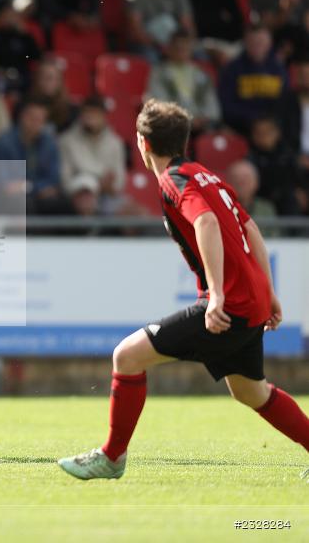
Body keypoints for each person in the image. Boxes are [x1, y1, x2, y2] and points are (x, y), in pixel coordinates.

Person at [58, 99, 309, 480]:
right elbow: (251, 229)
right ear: (184, 140)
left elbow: (206, 223)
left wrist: (218, 296)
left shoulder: (174, 181)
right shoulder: (206, 175)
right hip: (251, 300)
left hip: (230, 305)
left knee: (126, 357)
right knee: (250, 391)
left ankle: (111, 457)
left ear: (143, 143)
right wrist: (268, 291)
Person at [59, 95, 126, 216]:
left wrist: (106, 187)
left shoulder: (115, 143)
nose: (90, 118)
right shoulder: (67, 141)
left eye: (95, 113)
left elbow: (118, 182)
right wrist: (93, 187)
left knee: (133, 213)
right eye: (87, 113)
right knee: (85, 203)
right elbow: (65, 181)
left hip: (107, 197)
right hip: (75, 196)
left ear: (103, 116)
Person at [0, 96, 65, 215]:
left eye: (41, 120)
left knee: (59, 203)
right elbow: (5, 183)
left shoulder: (49, 143)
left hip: (39, 197)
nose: (37, 123)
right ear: (23, 117)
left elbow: (53, 180)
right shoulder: (5, 143)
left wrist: (27, 186)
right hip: (12, 199)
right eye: (33, 118)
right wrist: (36, 188)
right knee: (24, 204)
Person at [218, 25, 288, 136]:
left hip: (274, 128)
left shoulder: (278, 69)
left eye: (260, 42)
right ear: (245, 43)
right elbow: (227, 106)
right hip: (242, 129)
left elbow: (286, 103)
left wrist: (270, 122)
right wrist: (254, 119)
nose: (256, 46)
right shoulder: (232, 69)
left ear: (269, 44)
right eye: (252, 42)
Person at [146, 30, 220, 133]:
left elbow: (211, 104)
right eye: (177, 48)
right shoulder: (159, 73)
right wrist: (185, 119)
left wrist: (203, 119)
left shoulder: (202, 75)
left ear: (190, 49)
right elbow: (158, 103)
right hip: (173, 125)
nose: (181, 51)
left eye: (185, 48)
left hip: (202, 126)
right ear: (169, 49)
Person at [0, 0, 42, 95]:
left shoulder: (21, 36)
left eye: (12, 14)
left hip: (21, 82)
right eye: (6, 14)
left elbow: (36, 56)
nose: (10, 18)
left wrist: (25, 34)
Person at [248, 115, 304, 216]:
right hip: (261, 198)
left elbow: (297, 178)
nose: (263, 136)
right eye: (259, 133)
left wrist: (300, 190)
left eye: (267, 132)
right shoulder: (250, 157)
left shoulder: (287, 155)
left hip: (287, 200)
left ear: (277, 133)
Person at [226, 160, 278, 236]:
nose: (241, 183)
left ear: (256, 183)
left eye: (246, 178)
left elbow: (276, 239)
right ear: (227, 183)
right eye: (236, 178)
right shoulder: (222, 208)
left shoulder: (266, 209)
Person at [28, 58, 77, 133]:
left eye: (56, 78)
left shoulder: (71, 110)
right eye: (46, 78)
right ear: (38, 79)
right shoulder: (25, 106)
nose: (50, 82)